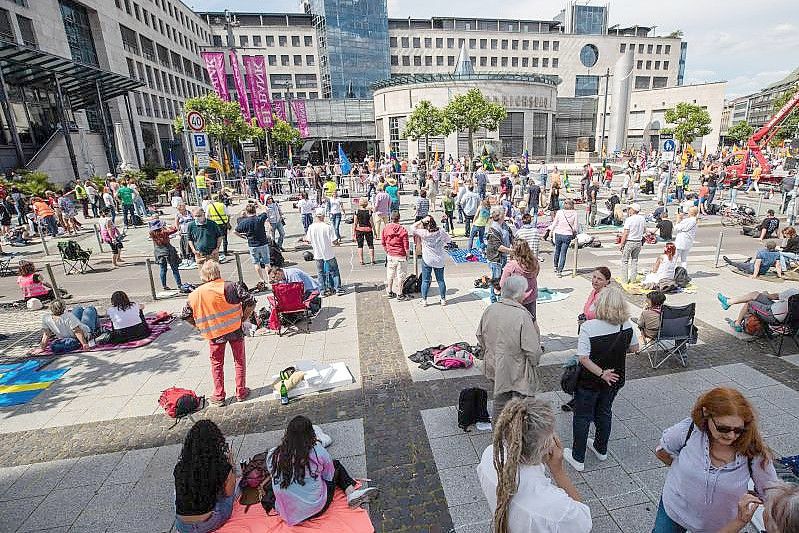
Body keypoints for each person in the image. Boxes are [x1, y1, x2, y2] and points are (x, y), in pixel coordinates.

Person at [652, 387, 778, 533]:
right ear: (706, 413)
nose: (731, 436)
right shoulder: (689, 430)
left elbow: (771, 492)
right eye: (723, 428)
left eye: (738, 430)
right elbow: (662, 451)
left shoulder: (753, 451)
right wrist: (681, 470)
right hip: (675, 509)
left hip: (720, 525)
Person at [478, 397, 591, 533]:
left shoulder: (489, 455)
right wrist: (558, 471)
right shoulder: (556, 507)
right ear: (545, 446)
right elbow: (583, 522)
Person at [563, 287, 639, 472]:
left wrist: (601, 372)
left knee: (582, 417)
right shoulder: (626, 325)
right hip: (615, 379)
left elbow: (583, 358)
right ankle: (601, 448)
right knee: (604, 412)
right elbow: (635, 348)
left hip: (590, 381)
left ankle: (578, 457)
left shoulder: (589, 327)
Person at [268, 415, 378, 526]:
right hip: (316, 508)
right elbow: (329, 476)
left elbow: (273, 474)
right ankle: (351, 493)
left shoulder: (273, 454)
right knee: (336, 465)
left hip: (287, 513)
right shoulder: (317, 451)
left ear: (287, 434)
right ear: (311, 434)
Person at [181, 260, 255, 406]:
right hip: (234, 329)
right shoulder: (230, 286)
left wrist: (198, 326)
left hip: (214, 333)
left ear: (202, 275)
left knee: (216, 364)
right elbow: (251, 301)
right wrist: (244, 317)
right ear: (218, 272)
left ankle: (219, 395)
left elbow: (185, 314)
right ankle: (241, 391)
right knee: (239, 360)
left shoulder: (195, 294)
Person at [476, 276, 543, 421]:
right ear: (519, 294)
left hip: (495, 365)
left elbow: (480, 335)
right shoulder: (522, 315)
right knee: (521, 408)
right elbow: (533, 350)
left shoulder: (490, 309)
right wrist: (534, 363)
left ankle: (498, 438)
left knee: (500, 403)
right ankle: (517, 438)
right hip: (516, 369)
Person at [173, 420, 236, 533]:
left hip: (182, 526)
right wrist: (231, 466)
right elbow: (229, 493)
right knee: (232, 492)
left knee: (178, 491)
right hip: (209, 523)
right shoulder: (220, 466)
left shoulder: (180, 467)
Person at [717, 286, 799, 333]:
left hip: (772, 315)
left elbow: (772, 296)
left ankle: (737, 324)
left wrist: (766, 293)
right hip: (786, 318)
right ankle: (728, 302)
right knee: (755, 294)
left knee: (750, 303)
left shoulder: (793, 292)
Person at [412, 215, 452, 306]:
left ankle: (424, 300)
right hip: (439, 259)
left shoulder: (424, 233)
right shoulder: (441, 231)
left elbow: (412, 227)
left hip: (427, 259)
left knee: (425, 280)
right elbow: (449, 240)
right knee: (441, 280)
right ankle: (443, 299)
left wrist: (421, 221)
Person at [305, 208, 344, 296]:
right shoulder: (327, 227)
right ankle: (337, 289)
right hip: (328, 253)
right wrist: (337, 243)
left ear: (316, 216)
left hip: (317, 253)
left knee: (320, 272)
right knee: (334, 270)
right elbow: (334, 240)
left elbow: (308, 240)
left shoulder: (311, 227)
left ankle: (322, 290)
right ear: (323, 216)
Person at [500, 240, 540, 321]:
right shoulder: (535, 262)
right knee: (532, 321)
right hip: (531, 297)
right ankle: (534, 333)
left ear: (514, 250)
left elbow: (502, 284)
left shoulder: (512, 265)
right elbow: (536, 274)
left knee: (515, 323)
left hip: (515, 300)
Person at [234, 203, 272, 290]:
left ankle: (261, 279)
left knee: (256, 263)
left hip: (252, 244)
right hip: (263, 243)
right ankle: (269, 278)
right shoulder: (259, 218)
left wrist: (243, 237)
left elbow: (235, 231)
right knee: (267, 262)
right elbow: (266, 209)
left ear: (247, 212)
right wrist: (258, 204)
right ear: (255, 210)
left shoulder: (245, 222)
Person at [486, 207, 513, 303]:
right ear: (500, 216)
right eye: (503, 214)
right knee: (496, 280)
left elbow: (511, 236)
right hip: (495, 258)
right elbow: (498, 246)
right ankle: (494, 300)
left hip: (503, 257)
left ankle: (499, 298)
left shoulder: (504, 225)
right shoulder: (493, 229)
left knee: (501, 278)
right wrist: (511, 251)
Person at [382, 210, 410, 300]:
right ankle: (400, 294)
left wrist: (387, 251)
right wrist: (407, 255)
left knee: (390, 274)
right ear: (399, 218)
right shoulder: (403, 230)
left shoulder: (386, 228)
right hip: (400, 255)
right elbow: (406, 246)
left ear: (391, 218)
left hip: (390, 255)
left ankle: (389, 291)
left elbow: (383, 242)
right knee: (401, 276)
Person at [148, 219, 183, 291]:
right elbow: (174, 229)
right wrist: (166, 226)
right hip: (168, 251)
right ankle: (179, 284)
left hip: (159, 252)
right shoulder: (164, 232)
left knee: (163, 269)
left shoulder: (152, 233)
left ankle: (164, 285)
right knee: (174, 268)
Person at [549, 199, 579, 277]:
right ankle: (560, 271)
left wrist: (550, 230)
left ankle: (555, 266)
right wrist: (575, 233)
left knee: (557, 250)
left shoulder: (559, 212)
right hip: (567, 234)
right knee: (563, 253)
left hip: (558, 233)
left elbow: (554, 223)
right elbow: (575, 227)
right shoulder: (575, 213)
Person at [619, 203, 647, 283]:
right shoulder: (642, 218)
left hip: (630, 241)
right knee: (634, 261)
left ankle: (624, 280)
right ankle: (633, 280)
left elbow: (626, 233)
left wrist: (621, 244)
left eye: (629, 209)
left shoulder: (629, 219)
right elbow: (644, 230)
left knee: (625, 261)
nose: (628, 210)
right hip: (638, 241)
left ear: (633, 210)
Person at [353, 197, 375, 265]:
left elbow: (355, 223)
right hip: (368, 229)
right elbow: (372, 222)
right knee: (370, 245)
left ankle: (361, 260)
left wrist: (353, 232)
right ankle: (372, 260)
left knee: (360, 246)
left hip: (360, 229)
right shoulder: (369, 212)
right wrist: (375, 231)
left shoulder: (357, 212)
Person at [174, 202, 195, 267]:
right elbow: (176, 223)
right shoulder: (178, 215)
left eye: (182, 208)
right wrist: (178, 230)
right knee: (185, 245)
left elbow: (194, 219)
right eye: (179, 209)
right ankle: (186, 257)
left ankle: (192, 257)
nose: (180, 210)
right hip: (183, 232)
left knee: (191, 245)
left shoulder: (189, 213)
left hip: (191, 231)